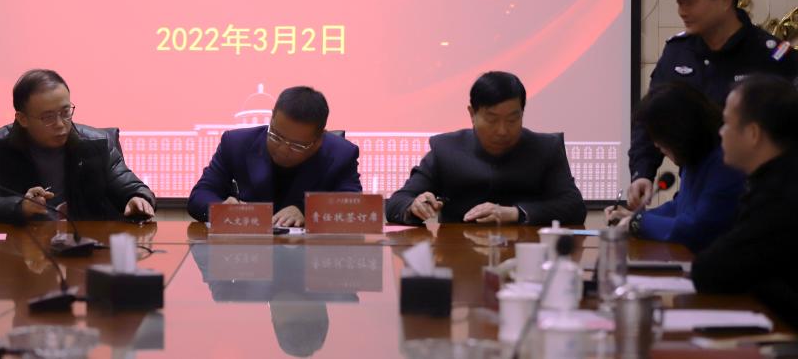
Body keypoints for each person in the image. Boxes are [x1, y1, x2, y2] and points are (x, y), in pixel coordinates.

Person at [628, 0, 798, 209]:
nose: (682, 11)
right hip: (696, 195)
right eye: (679, 2)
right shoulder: (677, 52)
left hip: (760, 201)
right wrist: (642, 172)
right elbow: (652, 118)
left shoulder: (770, 56)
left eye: (690, 1)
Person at [385, 71, 586, 226]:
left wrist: (515, 213)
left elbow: (574, 206)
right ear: (472, 114)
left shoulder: (546, 148)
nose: (502, 131)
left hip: (526, 254)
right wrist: (414, 206)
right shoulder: (446, 149)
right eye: (492, 119)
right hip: (458, 255)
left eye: (512, 120)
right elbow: (397, 203)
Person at [0, 69, 156, 224]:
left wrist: (138, 198)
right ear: (22, 119)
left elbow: (130, 186)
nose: (60, 124)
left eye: (66, 112)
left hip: (87, 246)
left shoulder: (97, 143)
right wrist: (21, 206)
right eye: (48, 117)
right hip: (23, 248)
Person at [691, 74, 798, 327]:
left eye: (726, 123)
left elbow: (711, 271)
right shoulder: (776, 178)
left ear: (752, 134)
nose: (720, 132)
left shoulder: (779, 194)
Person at [188, 86, 361, 227]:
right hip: (248, 253)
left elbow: (354, 206)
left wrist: (308, 212)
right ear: (272, 118)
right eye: (276, 136)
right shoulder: (236, 143)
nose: (283, 149)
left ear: (319, 140)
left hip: (309, 254)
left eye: (297, 145)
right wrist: (221, 209)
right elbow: (201, 195)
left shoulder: (341, 154)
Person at [605, 83, 745, 252]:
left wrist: (638, 223)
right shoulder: (696, 158)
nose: (656, 145)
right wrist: (635, 217)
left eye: (658, 135)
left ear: (678, 131)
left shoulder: (726, 163)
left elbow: (697, 228)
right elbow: (680, 207)